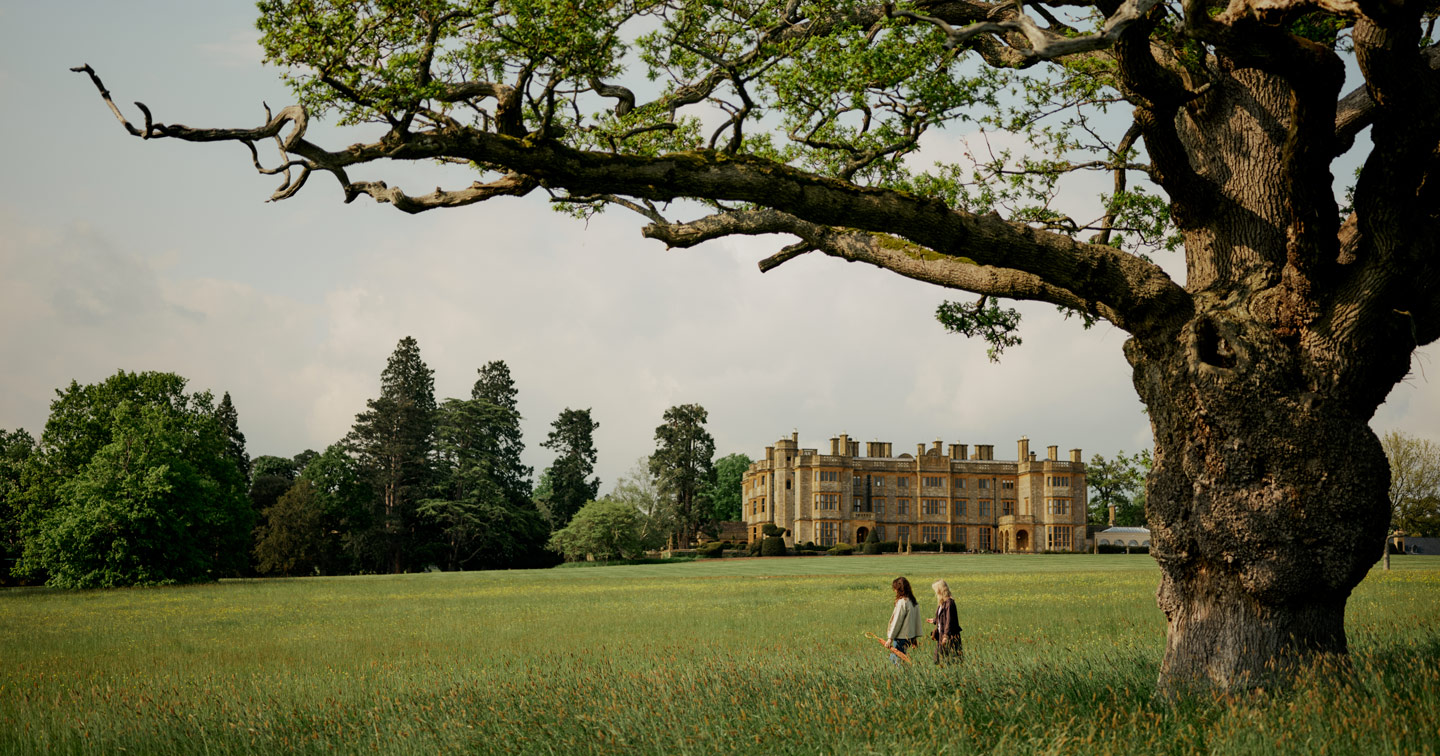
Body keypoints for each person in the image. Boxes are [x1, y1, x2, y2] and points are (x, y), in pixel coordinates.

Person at [883, 576, 921, 664]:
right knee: (900, 660)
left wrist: (890, 638)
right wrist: (915, 637)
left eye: (895, 588)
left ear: (899, 589)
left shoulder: (902, 602)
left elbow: (897, 622)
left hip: (901, 637)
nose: (894, 591)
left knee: (896, 661)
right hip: (910, 637)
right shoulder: (913, 601)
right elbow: (916, 621)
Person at [926, 579, 963, 664]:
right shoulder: (943, 602)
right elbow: (943, 617)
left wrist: (946, 636)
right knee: (939, 659)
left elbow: (949, 621)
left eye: (936, 590)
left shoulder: (949, 603)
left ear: (940, 590)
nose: (935, 593)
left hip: (949, 637)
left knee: (950, 659)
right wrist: (935, 620)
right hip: (942, 635)